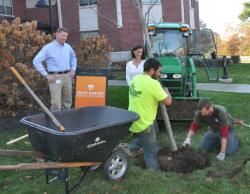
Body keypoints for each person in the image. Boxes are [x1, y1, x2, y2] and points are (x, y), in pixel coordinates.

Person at [128, 58, 172, 171]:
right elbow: (168, 102)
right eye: (158, 71)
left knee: (155, 128)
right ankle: (154, 173)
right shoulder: (153, 83)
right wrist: (167, 92)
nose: (159, 74)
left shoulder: (136, 79)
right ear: (152, 70)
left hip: (132, 119)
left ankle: (132, 147)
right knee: (150, 152)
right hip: (144, 123)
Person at [33, 27, 77, 111]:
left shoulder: (68, 47)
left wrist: (73, 69)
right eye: (62, 35)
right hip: (55, 77)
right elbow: (36, 61)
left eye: (66, 36)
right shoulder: (48, 48)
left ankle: (66, 120)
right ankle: (56, 122)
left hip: (67, 76)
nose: (64, 38)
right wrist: (46, 75)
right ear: (56, 34)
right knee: (56, 103)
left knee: (68, 101)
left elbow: (73, 58)